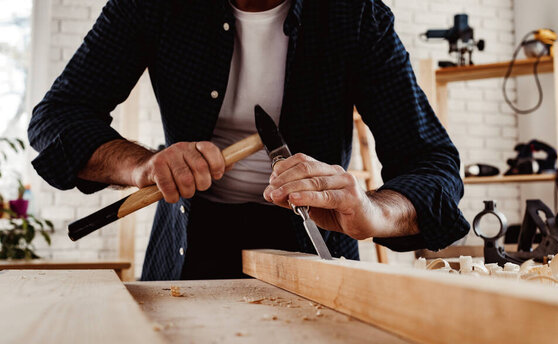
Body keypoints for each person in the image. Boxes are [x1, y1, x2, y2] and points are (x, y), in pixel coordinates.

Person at [28, 0, 470, 281]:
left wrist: (375, 212)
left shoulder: (354, 14)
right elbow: (57, 118)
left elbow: (433, 164)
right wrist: (143, 166)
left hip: (315, 249)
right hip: (188, 245)